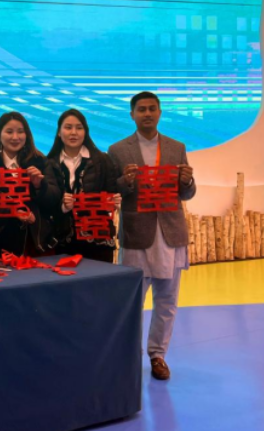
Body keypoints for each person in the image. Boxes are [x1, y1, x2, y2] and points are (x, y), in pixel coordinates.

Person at [108, 92, 196, 381]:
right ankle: (128, 355)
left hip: (170, 232)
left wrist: (188, 182)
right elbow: (113, 190)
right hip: (137, 233)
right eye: (141, 109)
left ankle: (158, 355)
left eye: (152, 109)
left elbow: (186, 193)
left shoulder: (176, 147)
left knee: (167, 300)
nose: (147, 113)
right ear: (132, 114)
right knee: (132, 301)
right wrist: (125, 182)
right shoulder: (117, 150)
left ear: (160, 112)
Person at [45, 109, 120, 263]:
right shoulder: (49, 163)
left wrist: (114, 201)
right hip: (63, 241)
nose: (74, 132)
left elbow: (112, 192)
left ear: (85, 132)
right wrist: (63, 206)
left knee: (100, 279)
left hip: (97, 240)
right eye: (68, 127)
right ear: (59, 132)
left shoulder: (102, 160)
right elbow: (46, 202)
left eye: (79, 128)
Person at [0, 112, 52, 257]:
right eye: (9, 132)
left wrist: (39, 186)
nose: (15, 137)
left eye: (20, 131)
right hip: (5, 243)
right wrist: (13, 212)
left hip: (38, 241)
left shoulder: (41, 161)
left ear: (27, 135)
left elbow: (54, 198)